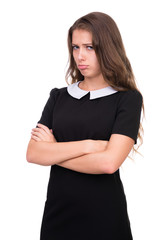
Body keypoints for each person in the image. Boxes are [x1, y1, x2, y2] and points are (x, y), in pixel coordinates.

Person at [26, 11, 144, 240]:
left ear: (108, 48)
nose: (80, 56)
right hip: (57, 216)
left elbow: (109, 163)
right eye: (75, 47)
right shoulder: (58, 96)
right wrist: (91, 145)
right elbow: (33, 153)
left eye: (90, 47)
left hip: (105, 218)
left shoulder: (128, 99)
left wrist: (54, 150)